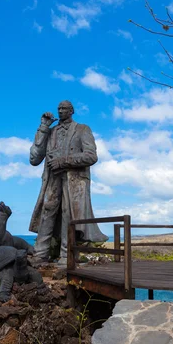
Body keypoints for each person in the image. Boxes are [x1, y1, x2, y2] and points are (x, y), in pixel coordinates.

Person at [29, 100, 108, 264]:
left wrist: (64, 161)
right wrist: (43, 127)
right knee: (47, 211)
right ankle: (40, 253)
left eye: (64, 108)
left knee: (68, 213)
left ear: (72, 111)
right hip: (52, 178)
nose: (60, 111)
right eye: (58, 108)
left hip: (74, 181)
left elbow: (91, 156)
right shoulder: (50, 132)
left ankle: (67, 255)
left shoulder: (82, 129)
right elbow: (34, 158)